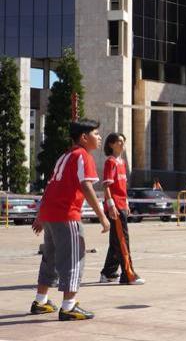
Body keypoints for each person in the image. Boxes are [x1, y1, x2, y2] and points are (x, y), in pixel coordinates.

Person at [30, 119, 110, 321]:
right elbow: (86, 186)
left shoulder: (64, 156)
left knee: (50, 258)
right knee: (74, 258)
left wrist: (41, 216)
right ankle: (69, 306)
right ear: (84, 137)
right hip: (67, 215)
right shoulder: (83, 156)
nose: (99, 137)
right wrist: (102, 216)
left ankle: (40, 301)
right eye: (96, 134)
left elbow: (50, 186)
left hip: (50, 215)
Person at [100, 133, 145, 285]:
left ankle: (108, 273)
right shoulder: (110, 162)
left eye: (123, 141)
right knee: (122, 240)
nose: (122, 143)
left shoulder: (122, 162)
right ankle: (128, 275)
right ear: (111, 144)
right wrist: (111, 205)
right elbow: (106, 186)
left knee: (116, 241)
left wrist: (126, 204)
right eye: (119, 141)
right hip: (115, 207)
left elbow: (122, 187)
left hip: (122, 205)